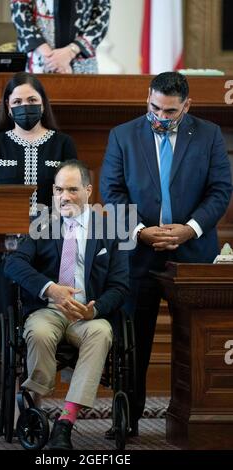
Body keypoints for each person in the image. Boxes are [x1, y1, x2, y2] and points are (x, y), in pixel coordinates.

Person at [100, 71, 232, 436]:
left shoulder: (208, 135)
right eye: (154, 107)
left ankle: (191, 418)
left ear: (186, 106)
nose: (159, 116)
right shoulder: (123, 135)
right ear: (148, 98)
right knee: (133, 340)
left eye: (169, 111)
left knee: (193, 339)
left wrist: (190, 228)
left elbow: (220, 191)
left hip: (192, 253)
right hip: (137, 255)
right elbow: (111, 193)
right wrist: (141, 232)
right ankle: (126, 420)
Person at [4, 160, 129, 450]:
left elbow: (121, 286)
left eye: (72, 189)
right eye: (59, 189)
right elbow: (14, 264)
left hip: (88, 313)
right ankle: (36, 405)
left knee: (101, 333)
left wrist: (93, 310)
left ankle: (65, 422)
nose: (65, 196)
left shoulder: (110, 229)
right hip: (49, 310)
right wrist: (52, 290)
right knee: (38, 332)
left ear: (88, 190)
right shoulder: (41, 224)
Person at [0, 71, 77, 347]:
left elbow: (73, 199)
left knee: (45, 324)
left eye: (32, 100)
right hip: (6, 248)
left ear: (43, 104)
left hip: (51, 247)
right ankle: (11, 386)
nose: (25, 107)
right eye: (18, 102)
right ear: (8, 107)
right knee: (5, 328)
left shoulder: (62, 143)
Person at [10, 0, 111, 74]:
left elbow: (101, 18)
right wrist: (51, 58)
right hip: (37, 57)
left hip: (80, 59)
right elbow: (20, 14)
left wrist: (70, 52)